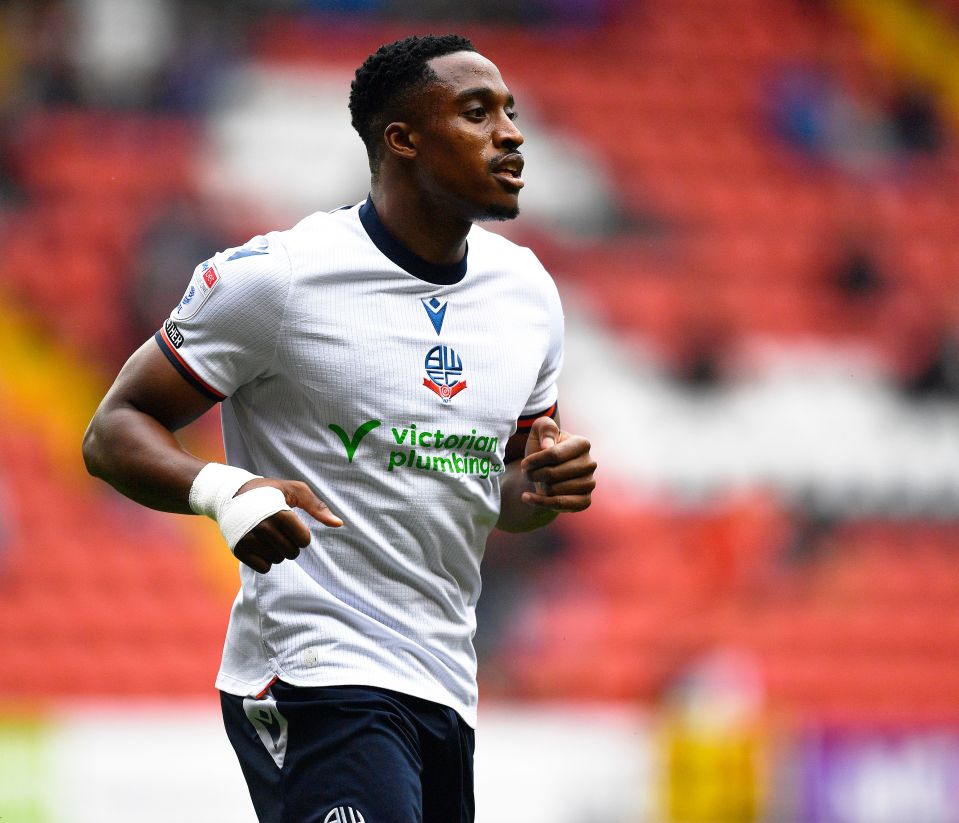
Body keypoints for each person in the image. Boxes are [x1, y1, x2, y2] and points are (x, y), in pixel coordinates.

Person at [82, 33, 596, 823]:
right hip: (315, 668)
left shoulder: (525, 292)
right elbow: (114, 426)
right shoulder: (277, 279)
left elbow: (507, 496)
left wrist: (541, 486)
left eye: (511, 111)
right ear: (403, 139)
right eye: (476, 111)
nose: (511, 132)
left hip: (444, 682)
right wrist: (226, 490)